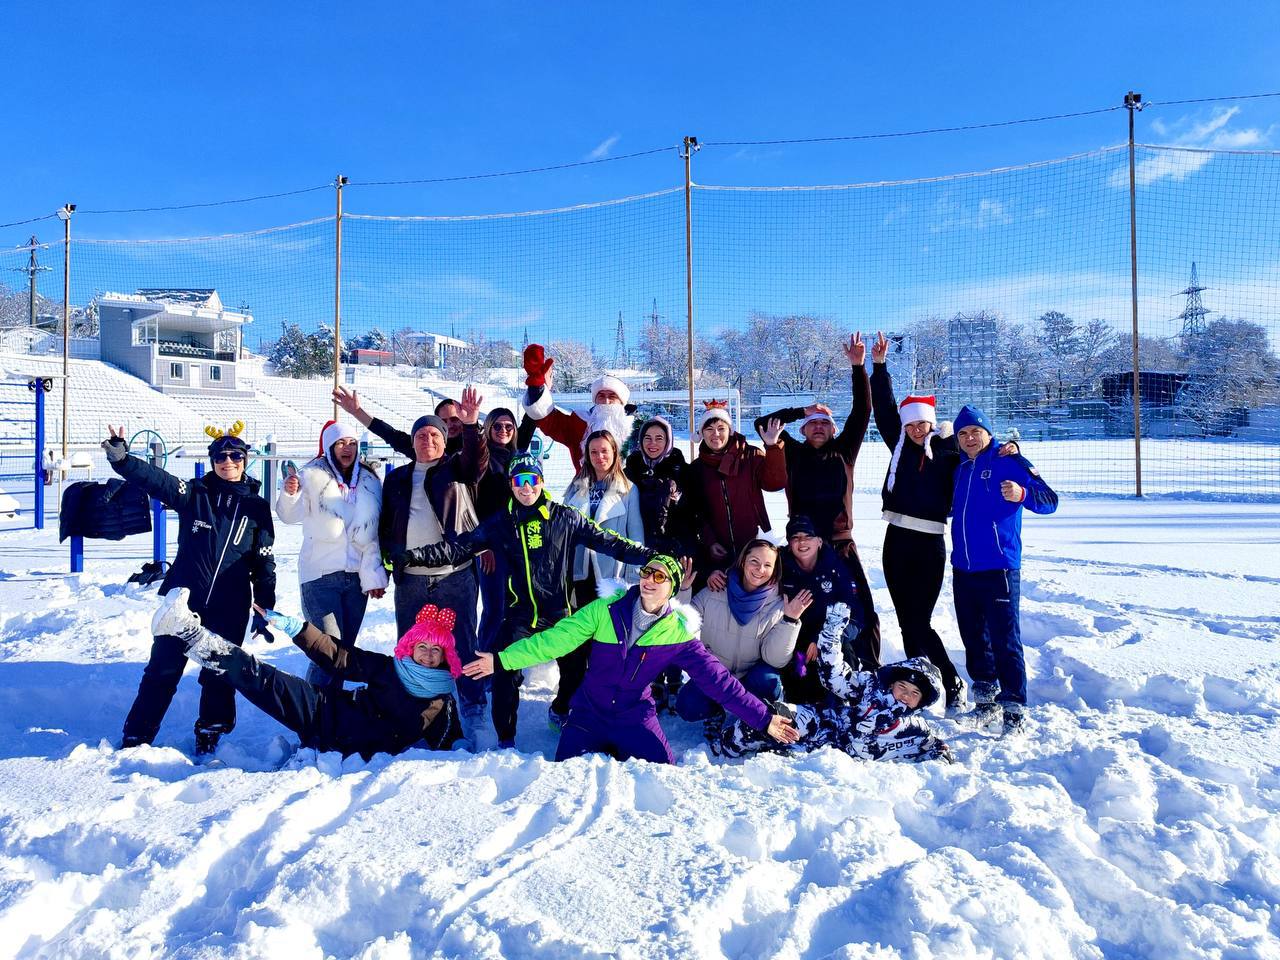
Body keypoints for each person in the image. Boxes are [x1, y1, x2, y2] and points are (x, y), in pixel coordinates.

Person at [396, 452, 656, 748]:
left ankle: (559, 710)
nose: (526, 487)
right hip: (520, 617)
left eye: (532, 479)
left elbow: (609, 541)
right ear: (511, 485)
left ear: (541, 482)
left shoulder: (565, 517)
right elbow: (458, 549)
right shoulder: (500, 524)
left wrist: (650, 557)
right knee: (504, 673)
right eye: (519, 481)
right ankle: (506, 739)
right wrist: (413, 556)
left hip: (561, 615)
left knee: (576, 672)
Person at [462, 555, 799, 763]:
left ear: (672, 588)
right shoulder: (604, 611)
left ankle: (620, 743)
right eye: (646, 573)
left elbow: (720, 682)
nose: (649, 580)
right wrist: (502, 660)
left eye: (660, 576)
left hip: (634, 716)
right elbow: (553, 642)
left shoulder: (677, 633)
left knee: (662, 769)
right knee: (567, 771)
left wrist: (763, 718)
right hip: (588, 713)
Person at [869, 330, 1022, 712]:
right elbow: (884, 408)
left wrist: (1009, 447)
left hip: (930, 544)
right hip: (896, 540)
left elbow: (979, 444)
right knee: (906, 621)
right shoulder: (899, 446)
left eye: (922, 424)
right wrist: (878, 366)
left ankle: (951, 680)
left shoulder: (948, 449)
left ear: (931, 423)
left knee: (919, 621)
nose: (915, 429)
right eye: (910, 425)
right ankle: (914, 679)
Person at [103, 422, 276, 755]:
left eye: (235, 456)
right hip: (183, 601)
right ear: (212, 460)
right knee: (162, 670)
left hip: (231, 604)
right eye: (221, 456)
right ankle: (136, 737)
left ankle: (210, 736)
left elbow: (264, 560)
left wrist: (264, 606)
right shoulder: (195, 493)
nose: (228, 462)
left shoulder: (257, 506)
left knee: (219, 674)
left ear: (245, 460)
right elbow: (158, 481)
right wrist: (123, 459)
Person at [152, 589, 464, 759]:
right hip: (324, 711)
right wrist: (296, 627)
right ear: (410, 647)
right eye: (422, 646)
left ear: (444, 657)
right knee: (261, 679)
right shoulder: (389, 668)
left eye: (436, 650)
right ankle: (187, 632)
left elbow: (454, 748)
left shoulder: (441, 701)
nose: (427, 654)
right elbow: (340, 657)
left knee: (260, 680)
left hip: (351, 747)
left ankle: (185, 633)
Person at [331, 384, 488, 720]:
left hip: (453, 576)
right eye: (420, 435)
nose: (426, 441)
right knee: (412, 645)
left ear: (445, 442)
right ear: (413, 441)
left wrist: (473, 425)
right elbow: (384, 527)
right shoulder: (398, 478)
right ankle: (414, 705)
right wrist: (383, 569)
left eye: (434, 435)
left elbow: (477, 459)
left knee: (461, 642)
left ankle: (472, 706)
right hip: (411, 581)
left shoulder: (457, 471)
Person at [754, 332, 880, 670]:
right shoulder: (792, 453)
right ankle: (800, 671)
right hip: (802, 546)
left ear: (833, 430)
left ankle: (868, 669)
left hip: (839, 545)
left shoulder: (844, 451)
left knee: (862, 609)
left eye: (825, 423)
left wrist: (858, 367)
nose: (819, 427)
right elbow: (763, 424)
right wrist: (803, 409)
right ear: (804, 430)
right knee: (802, 607)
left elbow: (863, 410)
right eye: (813, 423)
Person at [720, 602, 953, 765]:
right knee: (773, 717)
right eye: (902, 686)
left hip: (838, 755)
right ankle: (729, 746)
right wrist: (831, 635)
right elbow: (835, 676)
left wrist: (941, 755)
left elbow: (935, 746)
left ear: (921, 701)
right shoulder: (869, 687)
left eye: (914, 693)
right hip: (827, 725)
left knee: (784, 737)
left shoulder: (915, 728)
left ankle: (778, 748)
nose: (905, 695)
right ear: (892, 683)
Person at [950, 404, 1059, 736]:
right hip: (963, 568)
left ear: (988, 433)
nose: (970, 438)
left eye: (975, 432)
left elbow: (1049, 500)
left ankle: (1014, 709)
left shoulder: (1008, 461)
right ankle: (986, 702)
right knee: (974, 638)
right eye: (963, 434)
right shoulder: (961, 469)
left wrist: (1023, 492)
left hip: (999, 568)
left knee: (1004, 640)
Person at [275, 419, 388, 690]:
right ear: (329, 446)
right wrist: (290, 494)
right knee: (327, 648)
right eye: (340, 443)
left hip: (356, 580)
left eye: (351, 442)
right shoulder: (311, 475)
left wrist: (373, 577)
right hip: (320, 576)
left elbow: (373, 533)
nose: (346, 448)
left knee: (343, 652)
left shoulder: (370, 481)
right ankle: (314, 716)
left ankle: (332, 713)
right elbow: (288, 515)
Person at [676, 540, 808, 742]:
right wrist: (684, 590)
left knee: (769, 681)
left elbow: (775, 660)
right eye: (754, 561)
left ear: (774, 570)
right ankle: (716, 711)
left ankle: (756, 713)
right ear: (743, 561)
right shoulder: (714, 591)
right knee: (687, 706)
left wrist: (790, 620)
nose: (760, 569)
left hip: (750, 676)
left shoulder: (778, 604)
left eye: (767, 565)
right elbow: (681, 627)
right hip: (716, 675)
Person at [557, 429, 646, 727]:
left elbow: (635, 535)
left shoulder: (628, 490)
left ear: (615, 453)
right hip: (580, 573)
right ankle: (572, 701)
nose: (599, 457)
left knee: (606, 644)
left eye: (605, 451)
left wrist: (633, 578)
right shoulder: (576, 486)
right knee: (578, 640)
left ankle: (603, 703)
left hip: (612, 576)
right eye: (594, 452)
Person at [624, 414, 693, 710]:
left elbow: (694, 513)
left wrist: (682, 546)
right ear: (640, 442)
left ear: (668, 442)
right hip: (643, 552)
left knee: (671, 614)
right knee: (645, 615)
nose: (653, 444)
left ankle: (674, 675)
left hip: (673, 553)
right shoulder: (631, 470)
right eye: (648, 438)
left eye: (659, 438)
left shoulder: (682, 470)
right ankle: (650, 678)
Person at [687, 401, 787, 590]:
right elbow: (697, 511)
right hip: (719, 549)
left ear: (730, 430)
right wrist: (710, 541)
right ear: (701, 434)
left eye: (720, 428)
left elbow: (775, 483)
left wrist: (772, 447)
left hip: (753, 541)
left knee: (755, 591)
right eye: (708, 429)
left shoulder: (750, 456)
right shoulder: (697, 469)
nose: (715, 434)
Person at [778, 515, 862, 702]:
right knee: (801, 686)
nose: (802, 542)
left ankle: (848, 703)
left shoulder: (837, 568)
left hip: (832, 639)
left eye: (808, 536)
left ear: (819, 541)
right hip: (796, 640)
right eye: (795, 537)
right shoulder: (780, 566)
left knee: (844, 654)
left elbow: (855, 617)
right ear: (789, 543)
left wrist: (823, 639)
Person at [519, 343, 636, 471]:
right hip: (585, 488)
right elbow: (547, 418)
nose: (606, 401)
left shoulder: (636, 430)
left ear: (622, 401)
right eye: (601, 396)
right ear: (595, 400)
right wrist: (537, 385)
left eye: (612, 396)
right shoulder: (579, 424)